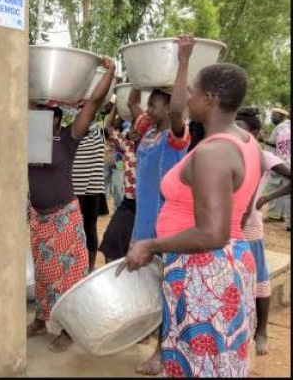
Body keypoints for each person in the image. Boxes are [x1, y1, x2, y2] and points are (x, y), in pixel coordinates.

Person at [119, 61, 262, 377]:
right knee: (216, 359)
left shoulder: (213, 153)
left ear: (209, 98)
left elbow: (213, 233)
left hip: (204, 270)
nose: (187, 98)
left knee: (200, 361)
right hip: (227, 263)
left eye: (193, 90)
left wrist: (152, 243)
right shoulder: (247, 143)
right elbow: (241, 211)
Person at [27, 56, 115, 353]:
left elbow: (92, 103)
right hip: (39, 218)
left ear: (57, 119)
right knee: (43, 273)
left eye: (46, 114)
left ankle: (68, 329)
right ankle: (41, 319)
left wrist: (110, 71)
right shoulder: (28, 141)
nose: (38, 118)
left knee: (70, 278)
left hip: (65, 216)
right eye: (36, 113)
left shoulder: (68, 137)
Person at [126, 35, 193, 375]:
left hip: (168, 229)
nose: (148, 110)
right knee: (151, 287)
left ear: (167, 109)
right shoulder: (150, 134)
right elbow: (131, 106)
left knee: (168, 290)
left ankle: (162, 352)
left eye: (155, 106)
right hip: (143, 224)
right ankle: (157, 334)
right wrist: (134, 78)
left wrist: (183, 61)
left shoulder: (176, 137)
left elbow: (181, 109)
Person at [236, 108, 291, 356]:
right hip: (226, 224)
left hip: (249, 227)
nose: (236, 133)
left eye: (242, 129)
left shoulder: (263, 156)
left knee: (259, 280)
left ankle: (262, 331)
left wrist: (268, 196)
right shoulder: (226, 151)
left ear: (256, 133)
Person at [99, 102, 142, 263]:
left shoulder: (157, 146)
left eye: (140, 127)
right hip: (128, 205)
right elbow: (108, 127)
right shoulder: (128, 147)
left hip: (150, 210)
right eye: (132, 127)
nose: (134, 130)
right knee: (110, 246)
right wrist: (118, 104)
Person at [72, 107, 110, 273]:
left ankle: (91, 267)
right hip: (75, 192)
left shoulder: (99, 134)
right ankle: (79, 266)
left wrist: (112, 107)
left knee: (90, 229)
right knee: (76, 230)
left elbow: (111, 123)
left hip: (89, 192)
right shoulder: (72, 136)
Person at [264, 108, 290, 227]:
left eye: (275, 115)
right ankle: (278, 215)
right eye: (272, 115)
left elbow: (279, 145)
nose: (272, 117)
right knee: (282, 188)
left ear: (282, 116)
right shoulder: (282, 126)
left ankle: (275, 215)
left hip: (279, 161)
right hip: (280, 160)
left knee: (275, 187)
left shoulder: (282, 127)